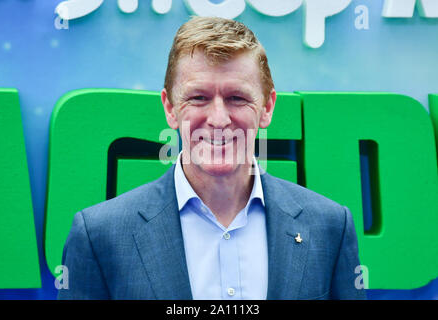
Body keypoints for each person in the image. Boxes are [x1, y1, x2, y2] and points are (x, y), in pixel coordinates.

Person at [58, 16, 366, 300]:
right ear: (170, 108)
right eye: (199, 98)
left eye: (237, 98)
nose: (219, 119)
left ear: (268, 107)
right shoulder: (99, 236)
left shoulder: (330, 227)